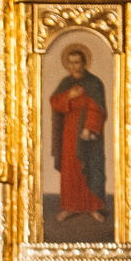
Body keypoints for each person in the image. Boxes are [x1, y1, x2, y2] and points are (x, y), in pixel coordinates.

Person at [46, 46, 107, 221]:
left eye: (77, 62)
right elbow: (55, 102)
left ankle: (93, 207)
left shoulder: (94, 83)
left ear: (84, 63)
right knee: (71, 169)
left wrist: (89, 128)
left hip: (88, 134)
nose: (74, 66)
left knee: (90, 167)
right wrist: (69, 96)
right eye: (71, 63)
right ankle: (70, 206)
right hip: (69, 132)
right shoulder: (66, 84)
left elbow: (98, 108)